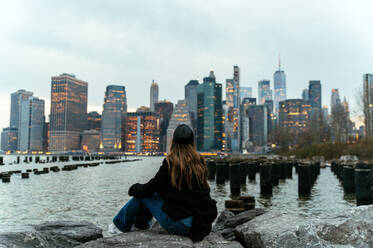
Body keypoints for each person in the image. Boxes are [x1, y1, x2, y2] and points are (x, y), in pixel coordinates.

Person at [112, 124, 217, 242]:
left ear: (174, 141)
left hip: (181, 225)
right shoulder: (199, 161)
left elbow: (151, 187)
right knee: (153, 194)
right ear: (192, 142)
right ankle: (141, 225)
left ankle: (120, 226)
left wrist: (134, 188)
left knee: (143, 195)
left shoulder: (171, 161)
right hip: (200, 222)